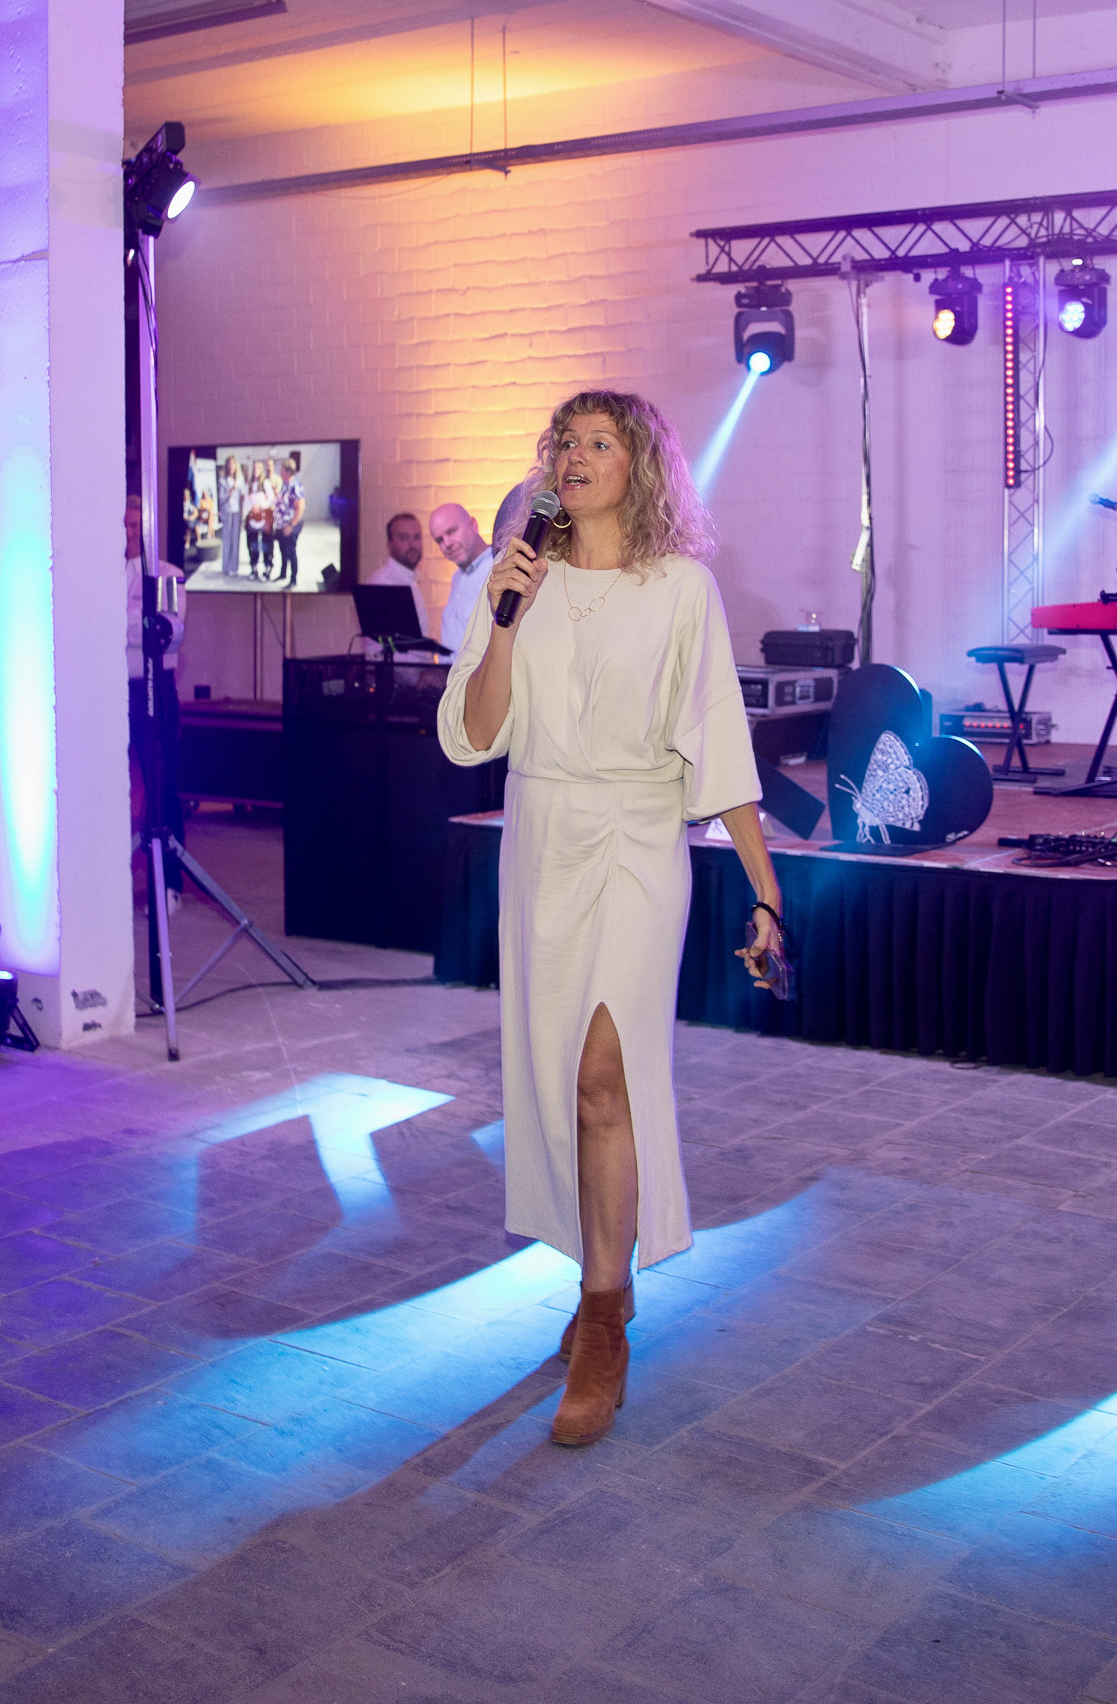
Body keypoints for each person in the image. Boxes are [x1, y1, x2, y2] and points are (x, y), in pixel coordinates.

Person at [437, 390, 787, 1449]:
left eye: (600, 442)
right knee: (560, 1082)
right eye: (565, 442)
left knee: (605, 1072)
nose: (576, 457)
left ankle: (601, 1320)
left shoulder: (681, 587)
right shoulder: (515, 579)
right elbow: (475, 734)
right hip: (543, 834)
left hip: (640, 837)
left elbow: (717, 736)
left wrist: (766, 887)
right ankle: (604, 1279)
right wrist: (504, 618)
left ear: (641, 466)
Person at [126, 494, 187, 902]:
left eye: (135, 526)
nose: (128, 533)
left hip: (151, 689)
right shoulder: (98, 574)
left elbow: (166, 632)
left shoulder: (167, 575)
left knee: (161, 783)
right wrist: (134, 623)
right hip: (106, 691)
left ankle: (168, 884)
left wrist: (115, 623)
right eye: (123, 526)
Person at [430, 501, 492, 653]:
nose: (447, 544)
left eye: (451, 532)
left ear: (473, 525)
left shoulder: (498, 566)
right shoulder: (457, 578)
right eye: (439, 540)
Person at [365, 511, 430, 637]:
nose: (412, 545)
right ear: (389, 545)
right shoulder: (384, 584)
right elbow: (379, 646)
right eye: (404, 538)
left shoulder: (409, 580)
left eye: (417, 537)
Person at [274, 459, 305, 587]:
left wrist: (291, 525)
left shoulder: (295, 485)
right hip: (281, 524)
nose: (280, 472)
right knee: (283, 550)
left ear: (288, 471)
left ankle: (293, 579)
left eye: (282, 470)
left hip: (291, 525)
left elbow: (301, 507)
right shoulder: (284, 484)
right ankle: (283, 573)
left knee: (291, 551)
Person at [244, 464, 273, 582]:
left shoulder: (265, 483)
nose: (256, 470)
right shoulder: (249, 484)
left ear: (261, 470)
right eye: (254, 468)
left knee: (266, 545)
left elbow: (271, 499)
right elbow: (245, 500)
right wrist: (252, 508)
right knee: (253, 545)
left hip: (264, 520)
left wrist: (260, 506)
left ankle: (267, 570)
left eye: (258, 468)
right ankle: (254, 569)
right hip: (252, 520)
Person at [218, 455, 245, 577]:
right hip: (227, 513)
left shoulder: (240, 480)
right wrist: (229, 492)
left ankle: (234, 568)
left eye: (232, 464)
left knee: (235, 541)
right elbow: (221, 499)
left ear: (236, 466)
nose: (230, 466)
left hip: (236, 513)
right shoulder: (222, 481)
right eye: (228, 464)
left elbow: (243, 497)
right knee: (227, 541)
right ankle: (226, 567)